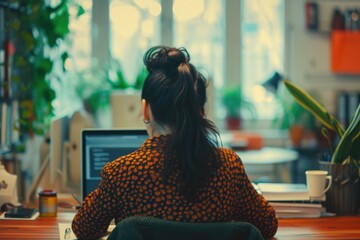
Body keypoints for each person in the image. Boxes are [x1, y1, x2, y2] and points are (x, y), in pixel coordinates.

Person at [71, 46, 278, 239]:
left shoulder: (122, 172)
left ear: (145, 109)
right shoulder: (228, 166)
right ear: (201, 111)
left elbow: (83, 229)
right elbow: (267, 225)